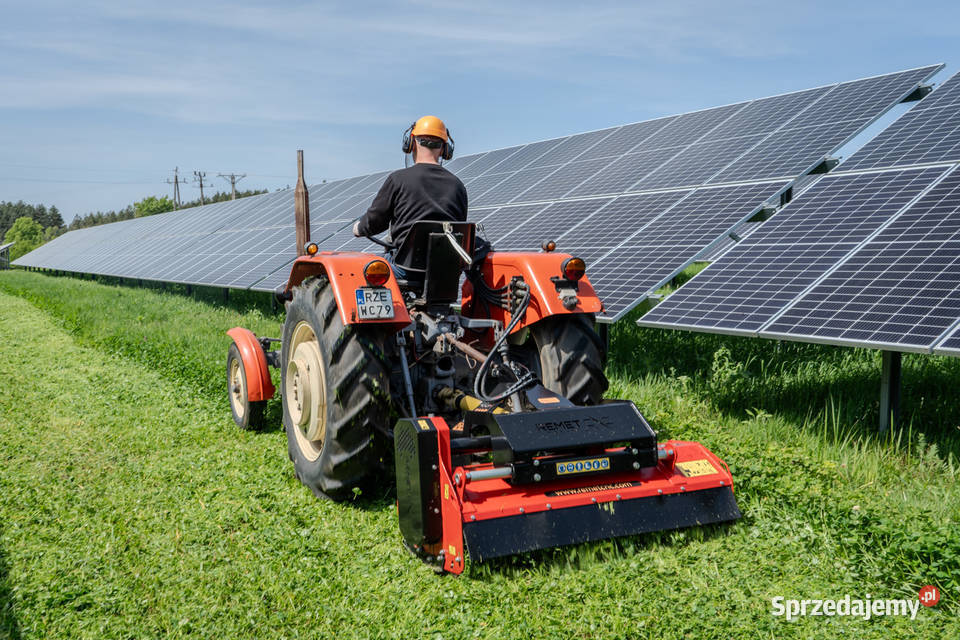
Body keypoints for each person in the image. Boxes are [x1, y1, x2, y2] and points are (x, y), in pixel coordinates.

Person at [352, 116, 468, 257]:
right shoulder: (458, 186)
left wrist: (359, 228)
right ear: (445, 149)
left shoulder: (398, 180)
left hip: (404, 269)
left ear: (411, 144)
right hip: (444, 273)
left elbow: (375, 222)